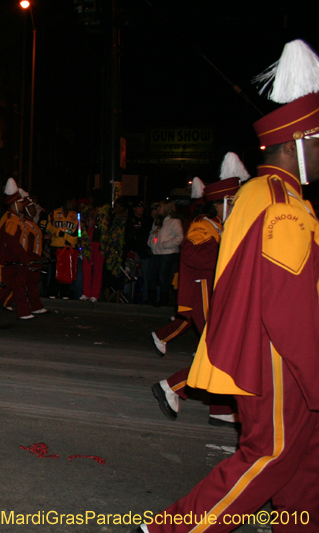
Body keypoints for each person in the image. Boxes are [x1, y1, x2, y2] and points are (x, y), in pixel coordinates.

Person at [138, 39, 319, 533]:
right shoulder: (284, 206)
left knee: (302, 472)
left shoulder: (259, 194)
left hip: (262, 352)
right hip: (280, 362)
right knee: (271, 456)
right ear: (298, 141)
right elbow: (291, 306)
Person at [150, 157, 247, 428]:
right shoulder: (206, 225)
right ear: (221, 203)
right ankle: (172, 386)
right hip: (203, 295)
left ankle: (220, 408)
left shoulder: (218, 225)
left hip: (212, 294)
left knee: (218, 351)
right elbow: (191, 253)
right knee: (219, 354)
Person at [0, 178, 35, 319]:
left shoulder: (16, 219)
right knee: (2, 285)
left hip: (14, 259)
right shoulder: (11, 219)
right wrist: (24, 257)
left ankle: (24, 312)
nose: (23, 205)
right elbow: (11, 242)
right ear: (14, 204)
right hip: (6, 260)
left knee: (18, 286)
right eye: (21, 202)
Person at [146, 199, 183, 306]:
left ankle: (163, 300)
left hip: (168, 253)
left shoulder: (174, 221)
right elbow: (152, 233)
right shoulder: (158, 221)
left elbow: (179, 237)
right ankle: (151, 299)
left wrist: (165, 244)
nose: (158, 209)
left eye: (160, 207)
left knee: (163, 276)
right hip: (157, 252)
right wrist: (151, 243)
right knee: (151, 275)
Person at [79, 189, 111, 302]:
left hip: (99, 243)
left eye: (92, 198)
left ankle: (95, 294)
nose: (90, 200)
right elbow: (81, 226)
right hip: (88, 242)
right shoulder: (88, 211)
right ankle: (86, 292)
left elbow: (107, 229)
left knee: (98, 269)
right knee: (86, 268)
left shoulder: (105, 211)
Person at [47, 199, 79, 299]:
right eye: (69, 201)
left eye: (73, 203)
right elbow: (48, 227)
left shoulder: (76, 216)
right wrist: (58, 232)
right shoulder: (54, 213)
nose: (71, 204)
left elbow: (79, 232)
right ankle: (53, 292)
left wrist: (71, 240)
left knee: (67, 270)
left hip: (69, 246)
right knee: (54, 271)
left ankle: (65, 292)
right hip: (56, 246)